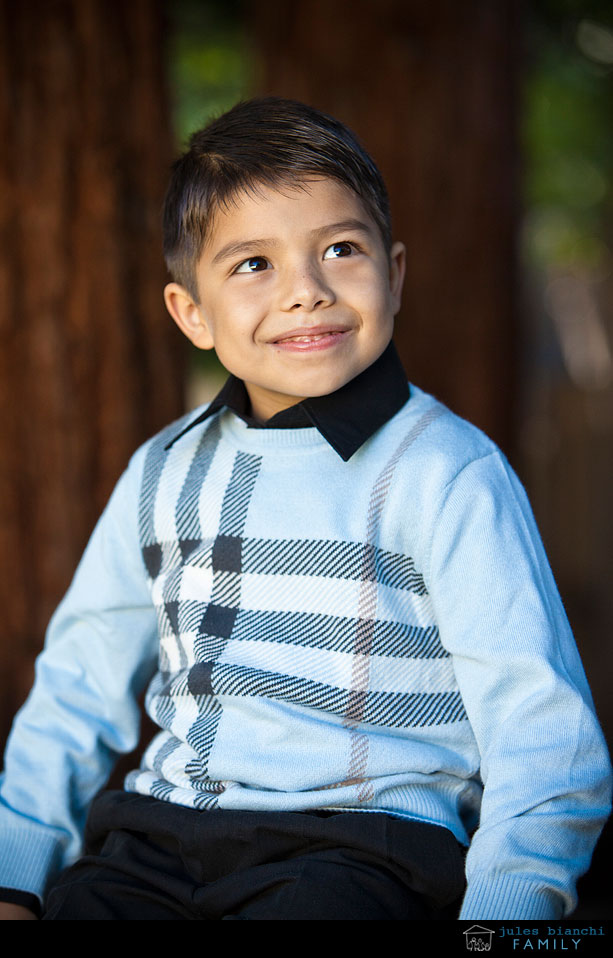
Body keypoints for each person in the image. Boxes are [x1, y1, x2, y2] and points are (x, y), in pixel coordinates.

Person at [0, 97, 610, 921]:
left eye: (340, 249)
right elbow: (77, 689)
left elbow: (543, 731)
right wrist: (15, 877)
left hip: (361, 848)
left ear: (393, 274)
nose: (306, 292)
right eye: (253, 264)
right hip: (156, 843)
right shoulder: (163, 470)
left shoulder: (446, 473)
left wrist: (504, 915)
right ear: (192, 314)